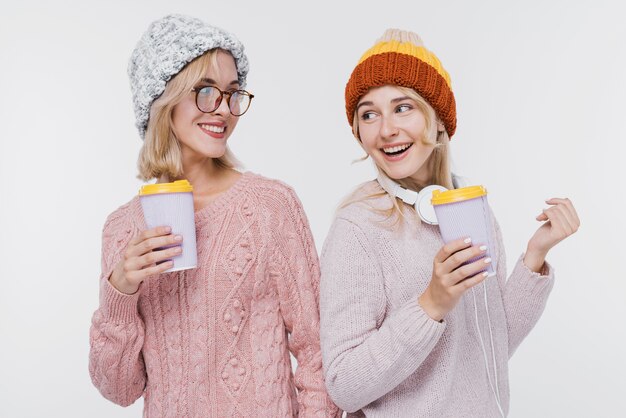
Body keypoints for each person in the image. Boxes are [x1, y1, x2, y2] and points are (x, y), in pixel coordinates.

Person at [319, 29, 579, 417]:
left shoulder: (470, 209)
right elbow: (344, 385)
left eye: (403, 107)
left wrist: (535, 257)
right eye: (368, 113)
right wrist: (430, 304)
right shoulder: (357, 228)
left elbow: (490, 348)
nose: (386, 128)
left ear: (439, 119)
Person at [89, 14, 339, 417]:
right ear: (162, 98)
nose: (223, 109)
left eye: (232, 93)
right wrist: (120, 289)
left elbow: (318, 351)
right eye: (206, 91)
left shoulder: (269, 205)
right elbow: (120, 389)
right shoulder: (122, 229)